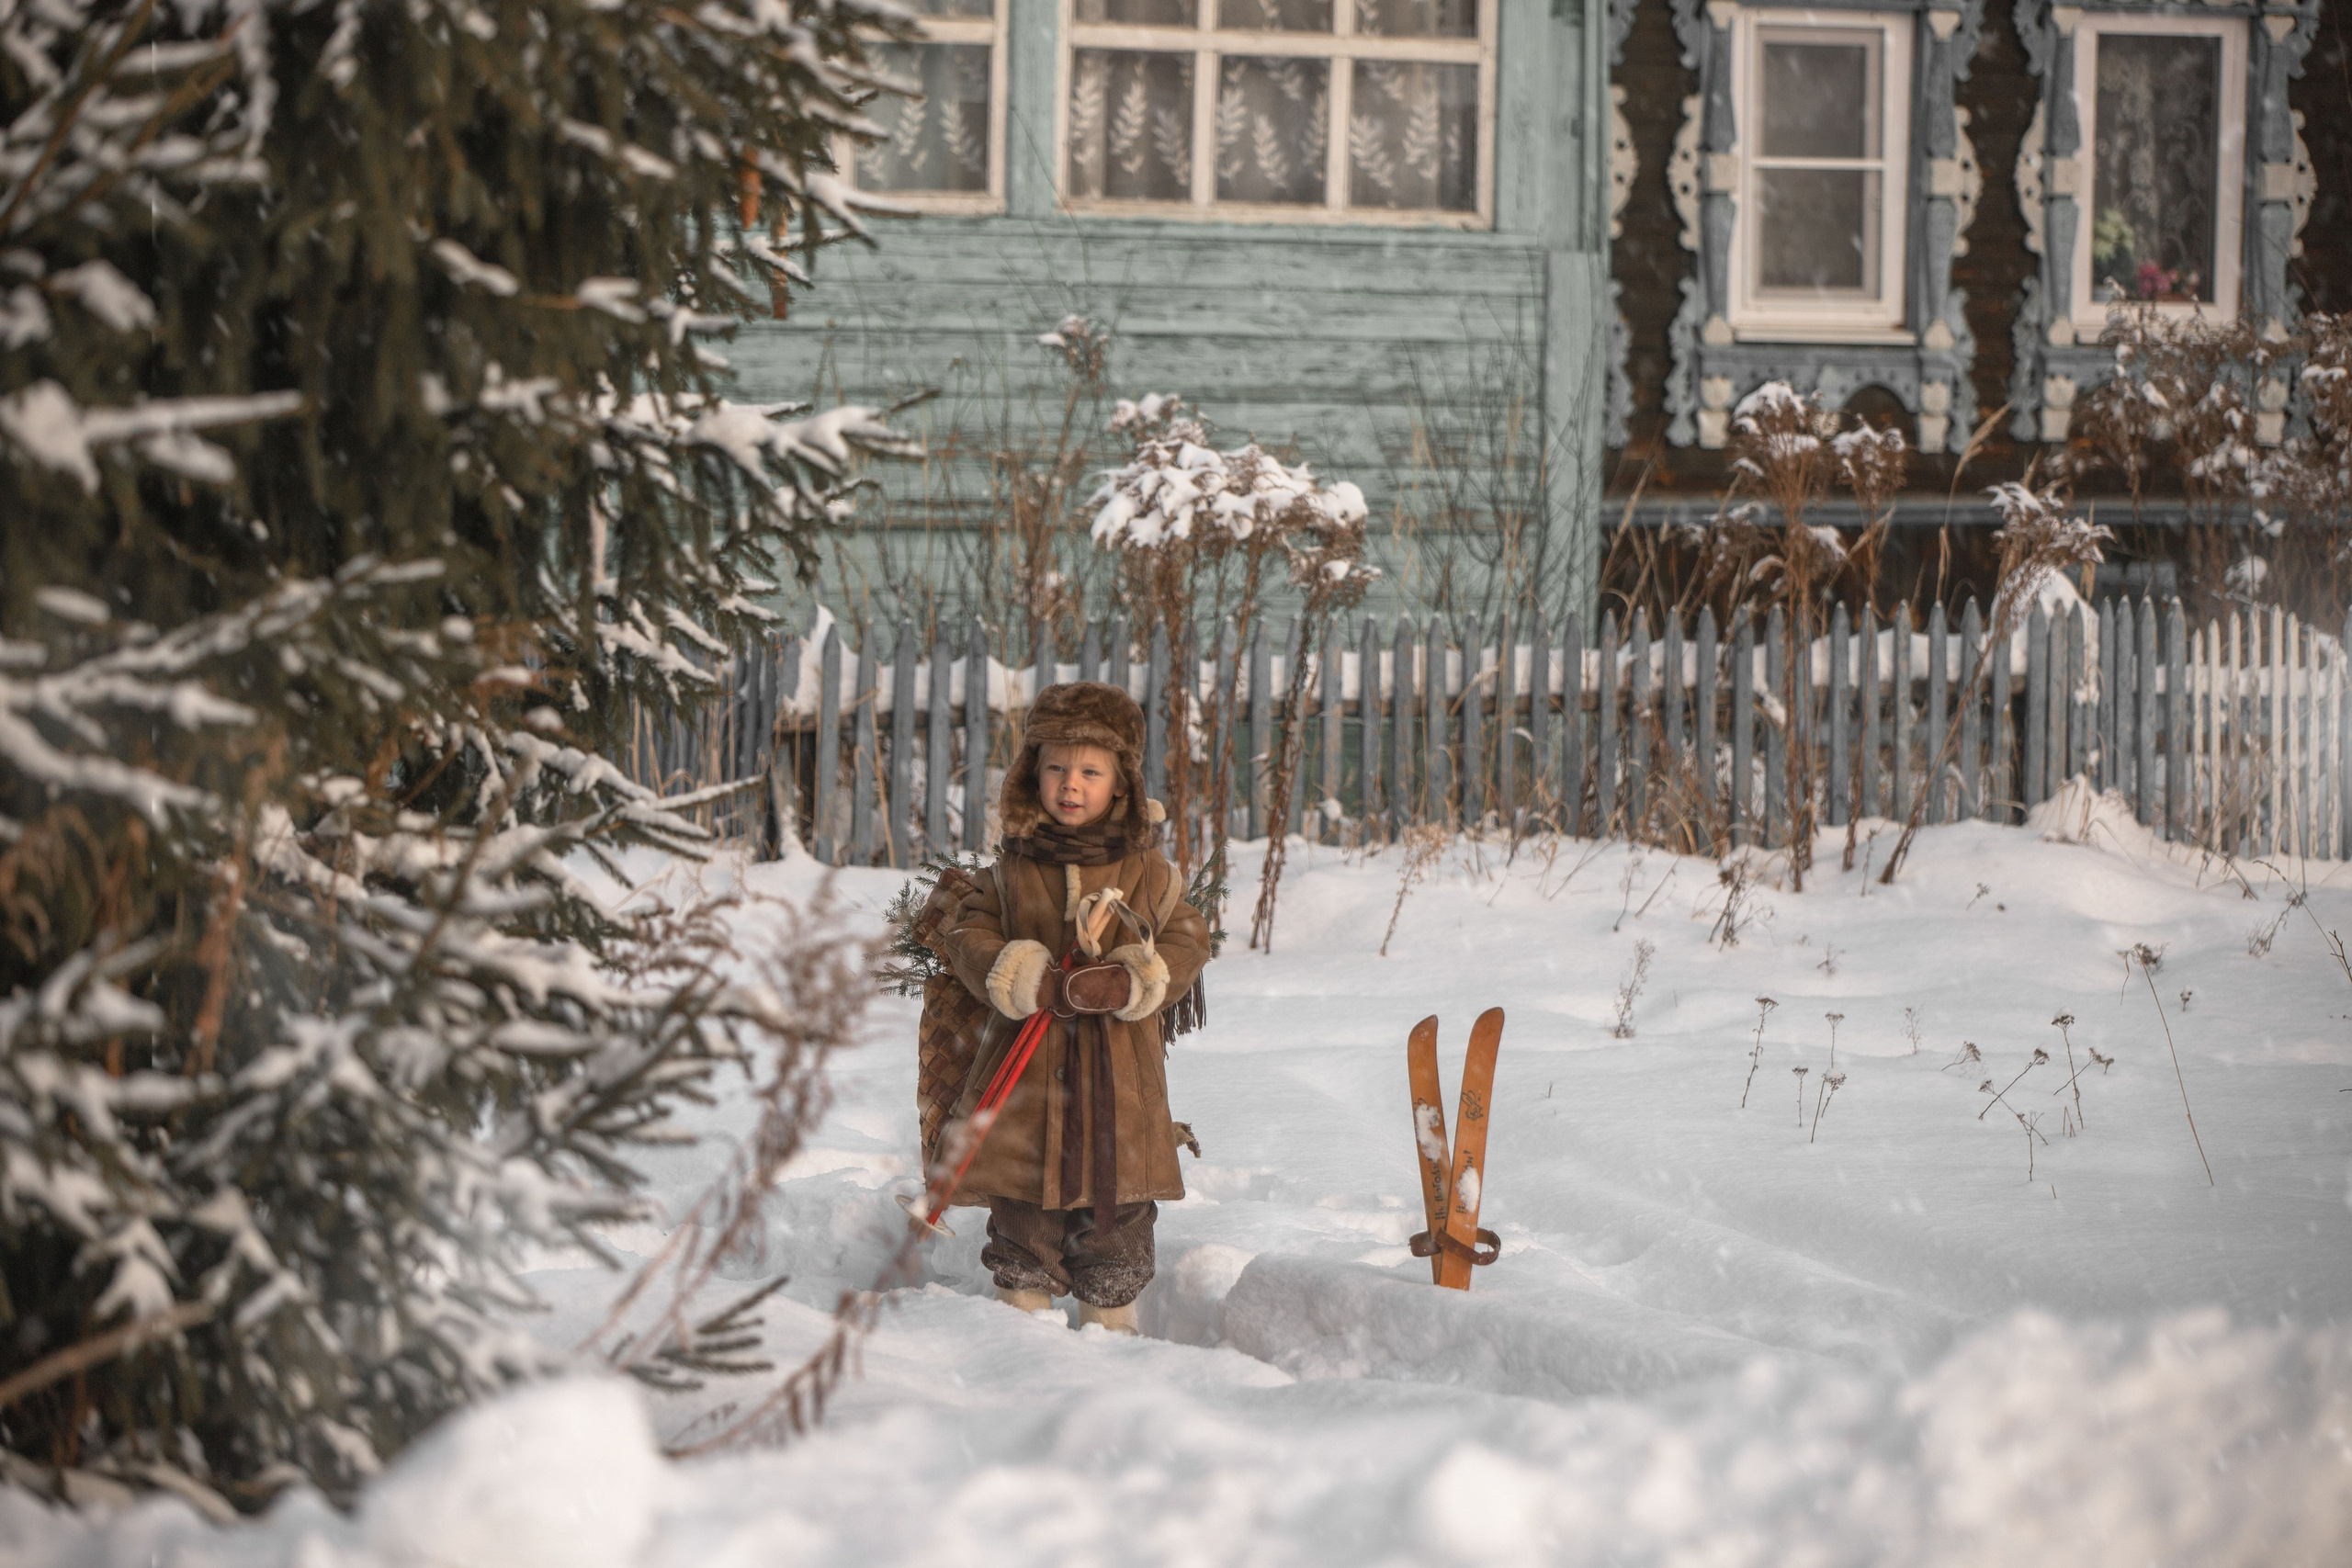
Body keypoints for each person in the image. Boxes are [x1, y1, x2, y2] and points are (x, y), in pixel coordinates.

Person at [937, 681, 1212, 1334]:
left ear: (1120, 782)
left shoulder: (1149, 872)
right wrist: (1015, 970)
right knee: (1023, 1210)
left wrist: (1135, 978)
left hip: (1119, 1079)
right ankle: (1023, 1329)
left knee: (1115, 1216)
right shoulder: (1010, 869)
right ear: (1033, 772)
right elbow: (969, 934)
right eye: (1056, 766)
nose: (1070, 783)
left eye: (1090, 770)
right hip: (1026, 1080)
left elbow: (1188, 937)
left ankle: (1112, 1323)